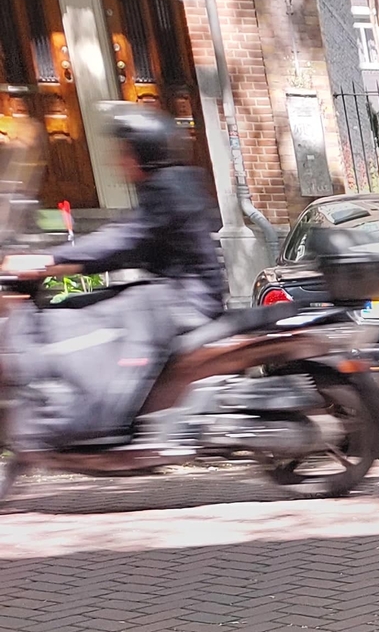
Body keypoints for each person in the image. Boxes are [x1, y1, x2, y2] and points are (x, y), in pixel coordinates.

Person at [2, 103, 226, 450]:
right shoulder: (169, 183)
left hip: (186, 298)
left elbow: (125, 240)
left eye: (124, 150)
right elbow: (128, 236)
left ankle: (102, 416)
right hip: (176, 291)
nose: (117, 159)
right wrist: (60, 257)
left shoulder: (168, 188)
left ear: (143, 152)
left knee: (106, 317)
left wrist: (52, 258)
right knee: (93, 303)